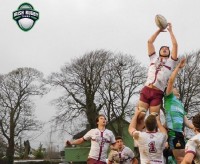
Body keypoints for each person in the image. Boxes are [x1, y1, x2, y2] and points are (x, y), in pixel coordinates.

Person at [137, 23, 178, 130]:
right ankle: (139, 142)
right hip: (146, 89)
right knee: (140, 116)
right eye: (162, 48)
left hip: (157, 93)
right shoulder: (153, 58)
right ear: (159, 52)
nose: (165, 49)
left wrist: (170, 31)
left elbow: (175, 45)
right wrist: (159, 30)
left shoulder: (171, 62)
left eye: (166, 49)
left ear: (169, 53)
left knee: (153, 118)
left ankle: (154, 139)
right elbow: (149, 42)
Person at [164, 58, 194, 164]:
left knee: (185, 159)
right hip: (173, 133)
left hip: (180, 134)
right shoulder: (168, 98)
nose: (173, 87)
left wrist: (196, 127)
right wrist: (178, 67)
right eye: (172, 87)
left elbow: (186, 121)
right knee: (181, 160)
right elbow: (171, 80)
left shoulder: (180, 105)